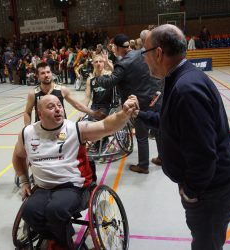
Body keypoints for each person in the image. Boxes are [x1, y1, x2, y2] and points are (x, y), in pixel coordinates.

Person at [139, 24, 230, 250]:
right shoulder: (181, 78)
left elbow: (204, 155)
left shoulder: (186, 89)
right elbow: (172, 125)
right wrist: (139, 114)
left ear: (158, 53)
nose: (144, 59)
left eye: (144, 53)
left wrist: (191, 192)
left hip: (210, 194)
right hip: (209, 191)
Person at [12, 94, 137, 250]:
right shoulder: (27, 133)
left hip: (74, 187)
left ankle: (64, 244)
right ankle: (56, 237)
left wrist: (123, 113)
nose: (58, 109)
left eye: (59, 105)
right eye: (51, 107)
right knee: (29, 211)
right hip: (43, 189)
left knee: (56, 210)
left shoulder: (76, 129)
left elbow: (106, 126)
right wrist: (24, 181)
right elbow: (18, 157)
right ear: (40, 113)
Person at [93, 34, 161, 174]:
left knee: (141, 136)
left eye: (114, 48)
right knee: (157, 129)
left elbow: (109, 82)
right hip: (154, 97)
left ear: (118, 48)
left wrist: (98, 76)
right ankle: (162, 158)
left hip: (138, 102)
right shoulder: (142, 52)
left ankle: (143, 166)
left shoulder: (123, 64)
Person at [23, 62, 105, 126]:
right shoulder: (33, 93)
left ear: (51, 73)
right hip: (41, 129)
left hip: (61, 128)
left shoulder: (62, 89)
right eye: (43, 73)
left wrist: (93, 113)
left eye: (48, 72)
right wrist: (27, 129)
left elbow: (77, 105)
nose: (46, 75)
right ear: (37, 75)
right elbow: (27, 112)